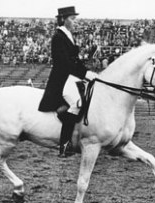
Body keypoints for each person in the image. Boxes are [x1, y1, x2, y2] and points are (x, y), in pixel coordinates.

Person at [38, 6, 98, 157]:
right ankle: (64, 145)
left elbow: (75, 61)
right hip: (62, 78)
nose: (74, 22)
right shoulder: (58, 37)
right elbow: (64, 63)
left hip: (72, 76)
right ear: (63, 20)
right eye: (72, 19)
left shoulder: (68, 35)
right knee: (76, 104)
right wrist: (84, 73)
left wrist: (88, 72)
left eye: (74, 19)